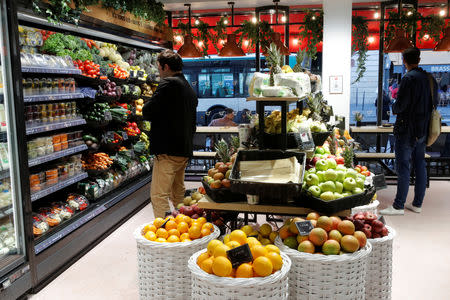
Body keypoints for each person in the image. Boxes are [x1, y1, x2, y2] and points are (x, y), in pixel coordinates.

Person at [380, 47, 437, 216]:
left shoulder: (408, 78)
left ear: (404, 61)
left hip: (406, 129)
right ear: (418, 59)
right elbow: (435, 101)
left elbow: (399, 107)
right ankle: (417, 203)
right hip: (423, 128)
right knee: (420, 165)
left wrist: (393, 104)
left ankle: (398, 206)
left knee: (403, 166)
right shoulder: (429, 78)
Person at [142, 50, 198, 218]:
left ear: (166, 67)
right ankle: (183, 225)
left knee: (159, 195)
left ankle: (162, 230)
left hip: (168, 150)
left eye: (159, 68)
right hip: (184, 149)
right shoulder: (188, 87)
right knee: (178, 193)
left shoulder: (168, 84)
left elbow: (148, 112)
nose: (159, 72)